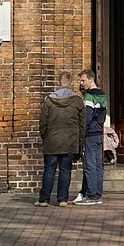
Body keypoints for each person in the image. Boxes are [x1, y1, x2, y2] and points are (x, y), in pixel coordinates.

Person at [39, 75, 82, 203]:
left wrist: (45, 136)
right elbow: (82, 123)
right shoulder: (77, 101)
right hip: (69, 141)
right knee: (65, 170)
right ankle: (62, 200)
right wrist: (80, 142)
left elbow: (43, 122)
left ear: (59, 82)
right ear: (71, 82)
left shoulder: (49, 100)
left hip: (52, 140)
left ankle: (43, 200)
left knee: (49, 170)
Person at [74, 70, 108, 204]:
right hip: (99, 132)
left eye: (83, 80)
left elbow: (86, 118)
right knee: (99, 165)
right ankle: (98, 195)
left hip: (90, 134)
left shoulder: (89, 97)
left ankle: (92, 195)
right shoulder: (103, 95)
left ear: (91, 80)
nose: (81, 83)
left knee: (89, 165)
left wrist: (81, 133)